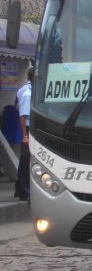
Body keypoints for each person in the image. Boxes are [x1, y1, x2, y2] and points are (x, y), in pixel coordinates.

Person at [14, 66, 33, 201]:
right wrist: (25, 135)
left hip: (28, 129)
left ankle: (21, 189)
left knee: (24, 160)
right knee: (26, 161)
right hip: (28, 129)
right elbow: (22, 115)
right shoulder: (28, 93)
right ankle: (25, 191)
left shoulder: (23, 89)